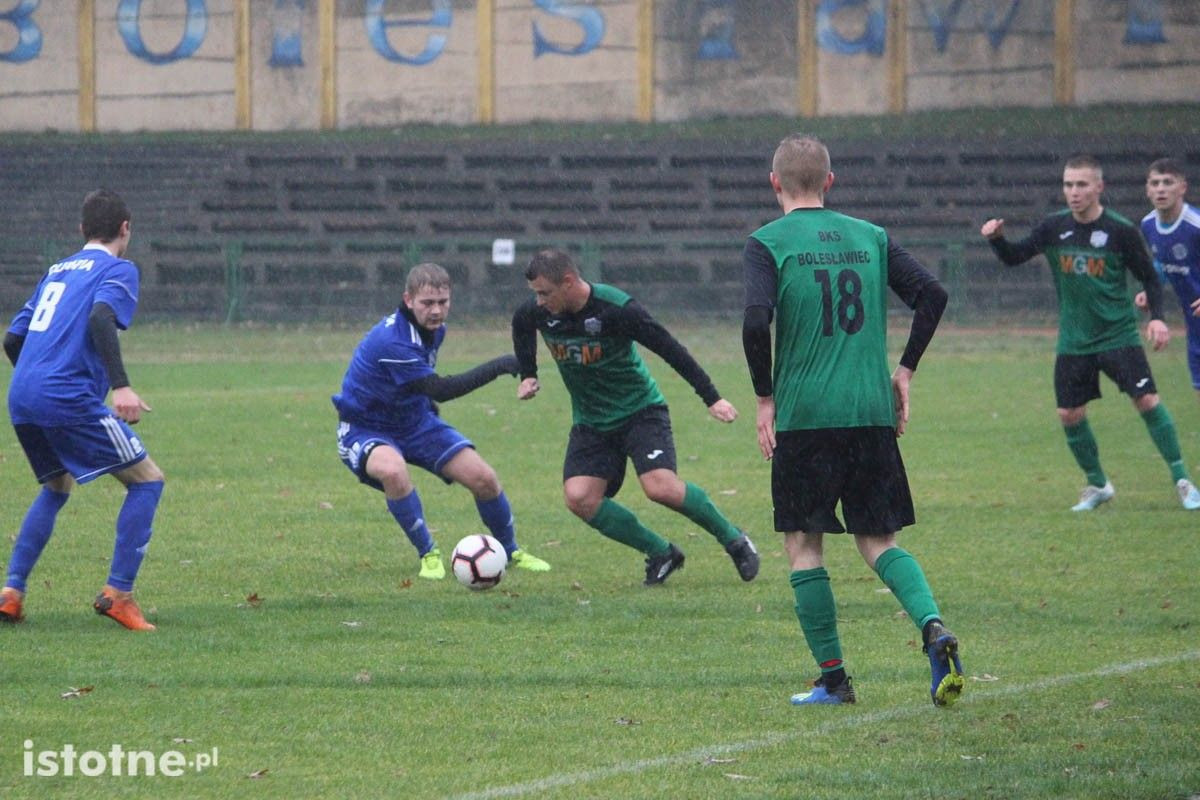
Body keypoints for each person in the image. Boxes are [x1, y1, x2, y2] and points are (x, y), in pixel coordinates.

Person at [742, 134, 962, 707]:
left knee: (803, 544)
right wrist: (905, 372)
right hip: (870, 413)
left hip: (807, 418)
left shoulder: (767, 243)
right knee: (879, 539)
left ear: (775, 184)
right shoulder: (871, 237)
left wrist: (765, 399)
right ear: (830, 182)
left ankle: (834, 680)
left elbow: (754, 321)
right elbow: (933, 295)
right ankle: (933, 627)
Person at [512, 248, 759, 586]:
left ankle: (734, 539)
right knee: (580, 498)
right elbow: (521, 324)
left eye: (544, 293)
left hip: (640, 412)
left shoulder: (615, 309)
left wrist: (711, 397)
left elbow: (668, 348)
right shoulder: (539, 313)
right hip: (592, 422)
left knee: (661, 488)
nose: (539, 302)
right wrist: (528, 373)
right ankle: (661, 552)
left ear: (568, 282)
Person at [981, 154, 1200, 511]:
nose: (1073, 192)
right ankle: (1098, 485)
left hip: (1118, 336)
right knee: (1069, 414)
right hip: (1074, 340)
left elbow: (1149, 275)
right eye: (1068, 184)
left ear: (1099, 187)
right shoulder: (1053, 228)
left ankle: (1182, 479)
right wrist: (998, 240)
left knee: (1147, 401)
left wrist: (1157, 317)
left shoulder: (1121, 231)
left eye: (1081, 184)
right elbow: (1015, 257)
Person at [1, 189, 164, 631]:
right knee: (147, 480)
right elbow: (99, 317)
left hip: (21, 395)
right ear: (125, 228)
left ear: (81, 230)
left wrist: (39, 383)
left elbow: (12, 340)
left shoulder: (57, 271)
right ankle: (119, 595)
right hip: (64, 396)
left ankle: (11, 592)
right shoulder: (118, 269)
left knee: (56, 485)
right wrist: (121, 386)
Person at [333, 262, 550, 580]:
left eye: (443, 302)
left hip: (415, 421)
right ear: (408, 300)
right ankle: (428, 554)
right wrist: (503, 364)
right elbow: (442, 389)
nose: (436, 311)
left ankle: (510, 551)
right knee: (393, 472)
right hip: (365, 427)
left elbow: (413, 384)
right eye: (427, 303)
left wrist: (425, 404)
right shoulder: (392, 341)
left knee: (484, 479)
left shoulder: (434, 330)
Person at [1134, 158, 1200, 403]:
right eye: (1155, 183)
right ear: (1148, 190)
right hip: (1195, 328)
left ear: (1182, 187)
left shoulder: (1195, 225)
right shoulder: (1148, 225)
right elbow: (1163, 262)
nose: (1161, 188)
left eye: (1168, 182)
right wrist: (1150, 289)